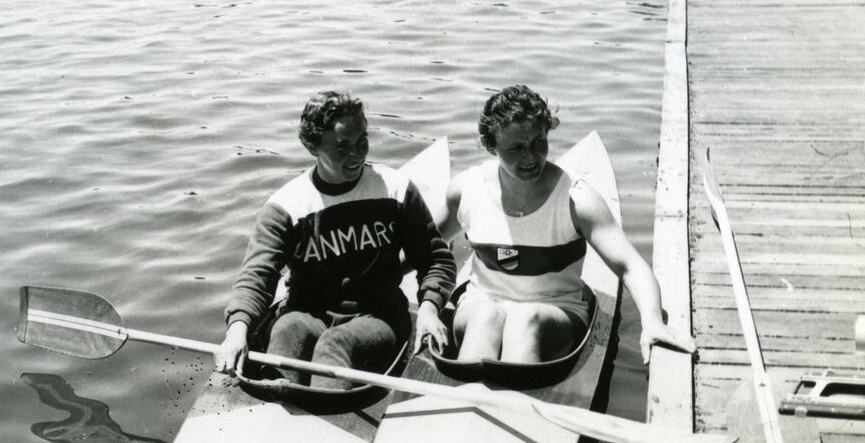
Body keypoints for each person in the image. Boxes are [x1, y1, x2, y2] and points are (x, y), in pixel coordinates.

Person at [439, 84, 695, 365]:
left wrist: (653, 322)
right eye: (516, 148)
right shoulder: (466, 189)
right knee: (485, 315)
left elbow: (630, 266)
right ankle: (472, 392)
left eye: (539, 142)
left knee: (526, 319)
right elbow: (421, 248)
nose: (531, 157)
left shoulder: (578, 200)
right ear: (491, 146)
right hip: (481, 305)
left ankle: (507, 393)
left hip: (555, 311)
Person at [215, 91, 456, 385]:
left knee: (334, 345)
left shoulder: (396, 190)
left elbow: (435, 260)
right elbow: (257, 275)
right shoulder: (286, 206)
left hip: (379, 315)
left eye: (362, 141)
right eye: (341, 147)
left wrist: (430, 308)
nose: (356, 154)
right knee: (287, 332)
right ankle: (273, 404)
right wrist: (237, 330)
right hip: (306, 313)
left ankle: (321, 412)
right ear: (313, 147)